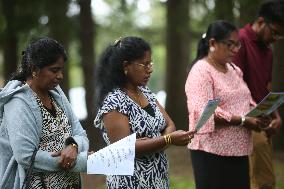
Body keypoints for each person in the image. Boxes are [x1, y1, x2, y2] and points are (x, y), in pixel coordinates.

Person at [94, 36, 194, 189]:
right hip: (130, 182)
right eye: (145, 64)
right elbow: (124, 149)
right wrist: (167, 140)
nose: (150, 69)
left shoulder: (144, 91)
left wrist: (153, 142)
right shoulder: (114, 101)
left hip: (157, 176)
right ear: (126, 66)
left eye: (150, 63)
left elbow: (170, 124)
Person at [185, 20, 269, 189]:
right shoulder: (201, 71)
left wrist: (258, 113)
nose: (235, 50)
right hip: (211, 152)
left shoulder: (233, 69)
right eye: (230, 44)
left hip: (239, 150)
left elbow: (245, 99)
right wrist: (243, 120)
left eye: (237, 45)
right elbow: (205, 112)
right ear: (213, 43)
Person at [0, 37, 89, 189]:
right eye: (54, 70)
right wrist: (81, 161)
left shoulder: (56, 93)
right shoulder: (18, 101)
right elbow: (26, 156)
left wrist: (73, 146)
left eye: (61, 70)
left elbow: (81, 134)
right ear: (34, 69)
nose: (60, 76)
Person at [233, 1, 284, 188]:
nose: (276, 39)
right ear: (261, 22)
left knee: (262, 178)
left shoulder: (268, 52)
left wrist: (276, 116)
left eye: (281, 36)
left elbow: (265, 87)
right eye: (275, 32)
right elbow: (233, 87)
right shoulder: (239, 40)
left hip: (262, 120)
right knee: (263, 182)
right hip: (244, 120)